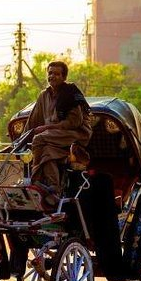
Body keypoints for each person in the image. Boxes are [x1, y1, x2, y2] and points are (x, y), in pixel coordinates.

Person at [20, 60, 92, 197]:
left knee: (40, 138)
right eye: (50, 73)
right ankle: (54, 187)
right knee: (48, 151)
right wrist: (20, 142)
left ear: (64, 77)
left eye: (57, 74)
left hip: (75, 133)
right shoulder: (44, 95)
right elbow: (33, 121)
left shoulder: (70, 93)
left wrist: (47, 127)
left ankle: (34, 180)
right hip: (54, 136)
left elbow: (74, 122)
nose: (52, 76)